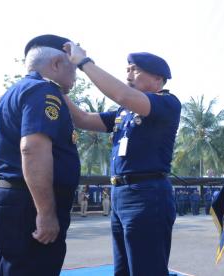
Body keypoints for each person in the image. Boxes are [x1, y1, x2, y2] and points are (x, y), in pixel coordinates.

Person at [63, 43, 180, 276]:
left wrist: (84, 63)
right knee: (123, 270)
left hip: (146, 193)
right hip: (120, 194)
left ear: (158, 79)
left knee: (147, 270)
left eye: (135, 69)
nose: (128, 74)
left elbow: (123, 94)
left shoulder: (167, 103)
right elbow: (84, 119)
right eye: (127, 68)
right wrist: (57, 89)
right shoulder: (123, 112)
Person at [0, 34, 81, 275]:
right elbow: (32, 148)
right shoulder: (43, 91)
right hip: (26, 205)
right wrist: (46, 213)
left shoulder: (12, 93)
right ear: (56, 63)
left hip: (6, 198)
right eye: (74, 68)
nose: (76, 76)